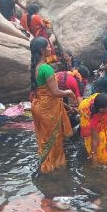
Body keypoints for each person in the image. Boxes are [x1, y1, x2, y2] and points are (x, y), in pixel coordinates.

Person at [30, 37, 74, 173]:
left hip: (38, 106)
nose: (51, 49)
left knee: (45, 138)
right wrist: (69, 92)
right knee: (54, 139)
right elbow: (55, 93)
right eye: (48, 47)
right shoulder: (46, 68)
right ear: (42, 50)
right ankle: (53, 167)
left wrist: (67, 106)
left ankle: (45, 162)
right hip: (47, 108)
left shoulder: (34, 66)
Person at [78, 93, 107, 164]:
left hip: (98, 103)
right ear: (102, 110)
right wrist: (94, 155)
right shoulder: (94, 118)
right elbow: (94, 140)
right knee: (98, 139)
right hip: (85, 110)